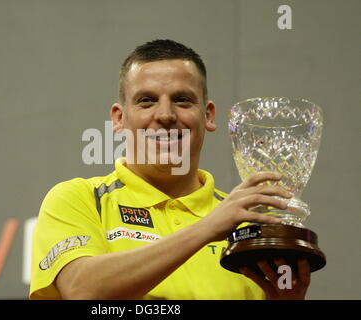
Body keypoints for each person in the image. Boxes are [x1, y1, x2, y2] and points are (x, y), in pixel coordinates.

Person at [29, 39, 311, 300]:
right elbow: (81, 290)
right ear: (119, 118)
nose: (165, 115)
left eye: (182, 100)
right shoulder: (80, 198)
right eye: (146, 100)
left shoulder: (245, 223)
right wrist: (207, 228)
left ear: (208, 115)